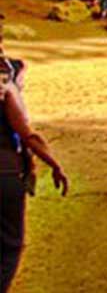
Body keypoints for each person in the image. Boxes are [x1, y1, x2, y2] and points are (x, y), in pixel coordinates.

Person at [0, 60, 69, 290]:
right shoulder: (5, 88)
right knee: (10, 246)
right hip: (6, 175)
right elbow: (28, 136)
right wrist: (55, 165)